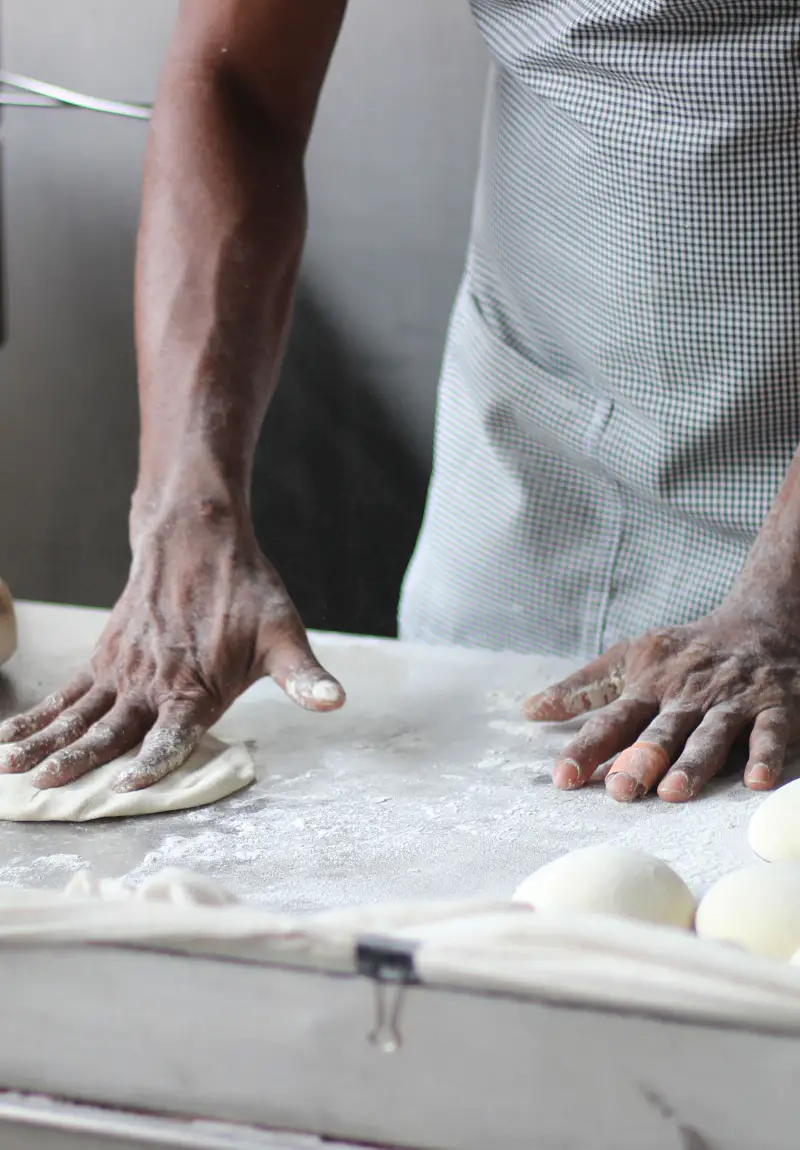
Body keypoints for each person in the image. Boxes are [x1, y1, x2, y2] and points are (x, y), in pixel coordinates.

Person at [0, 0, 798, 802]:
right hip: (537, 457)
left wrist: (781, 599)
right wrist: (184, 512)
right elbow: (238, 76)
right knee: (477, 815)